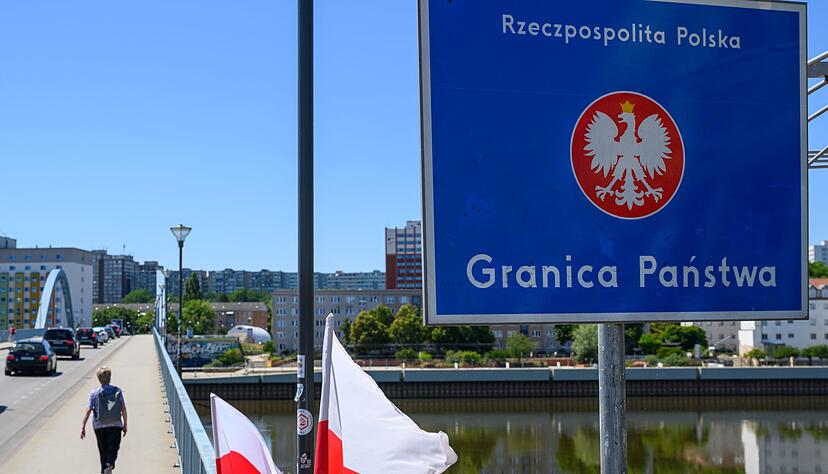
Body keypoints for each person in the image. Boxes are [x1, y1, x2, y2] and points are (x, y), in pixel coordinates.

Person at [81, 367, 128, 474]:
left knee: (103, 449)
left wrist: (83, 426)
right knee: (113, 447)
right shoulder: (117, 391)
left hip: (99, 425)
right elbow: (123, 409)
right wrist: (125, 424)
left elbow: (88, 410)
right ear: (109, 378)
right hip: (115, 424)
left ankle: (104, 469)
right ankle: (109, 464)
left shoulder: (94, 393)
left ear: (99, 379)